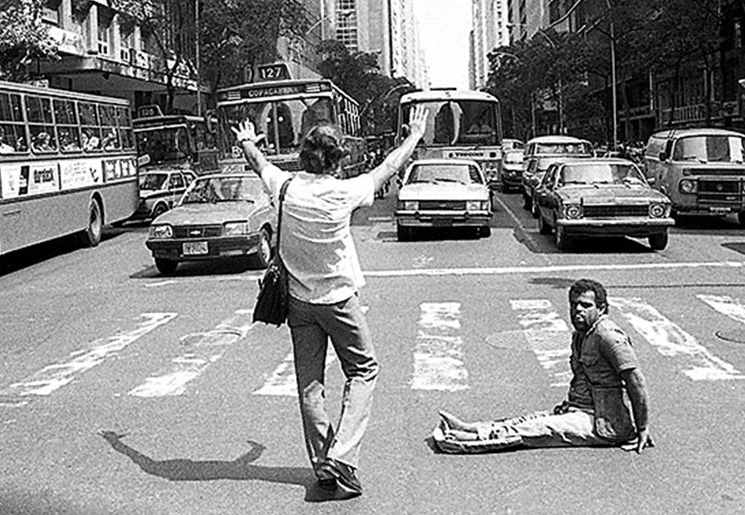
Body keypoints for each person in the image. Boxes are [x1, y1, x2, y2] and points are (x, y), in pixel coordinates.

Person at [232, 104, 429, 498]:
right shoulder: (344, 192)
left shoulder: (285, 187)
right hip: (339, 301)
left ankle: (324, 465)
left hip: (299, 304)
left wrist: (247, 142)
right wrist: (413, 136)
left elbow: (259, 164)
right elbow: (388, 168)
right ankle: (341, 456)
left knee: (310, 385)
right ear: (337, 160)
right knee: (364, 370)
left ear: (303, 155)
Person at [435, 278, 652, 454]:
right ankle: (472, 428)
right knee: (528, 419)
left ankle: (470, 439)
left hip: (603, 421)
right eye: (574, 304)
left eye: (586, 306)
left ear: (602, 309)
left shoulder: (609, 337)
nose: (578, 310)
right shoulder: (581, 334)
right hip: (579, 409)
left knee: (535, 430)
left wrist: (642, 428)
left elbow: (637, 383)